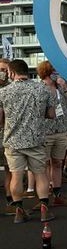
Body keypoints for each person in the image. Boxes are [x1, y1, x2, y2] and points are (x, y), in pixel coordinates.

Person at [0, 59, 55, 224]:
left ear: (11, 72)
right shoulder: (42, 89)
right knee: (41, 174)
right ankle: (44, 209)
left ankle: (18, 211)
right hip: (36, 139)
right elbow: (51, 114)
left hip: (13, 141)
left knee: (16, 176)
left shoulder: (4, 92)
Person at [37, 61, 67, 206]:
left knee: (57, 163)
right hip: (45, 132)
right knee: (43, 165)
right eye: (55, 71)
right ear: (48, 72)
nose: (58, 74)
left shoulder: (60, 88)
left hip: (61, 131)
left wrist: (66, 88)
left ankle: (57, 194)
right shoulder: (38, 88)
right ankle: (43, 197)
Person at [0, 58, 13, 215]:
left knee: (10, 170)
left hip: (8, 137)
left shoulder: (12, 88)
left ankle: (11, 201)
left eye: (5, 70)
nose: (2, 73)